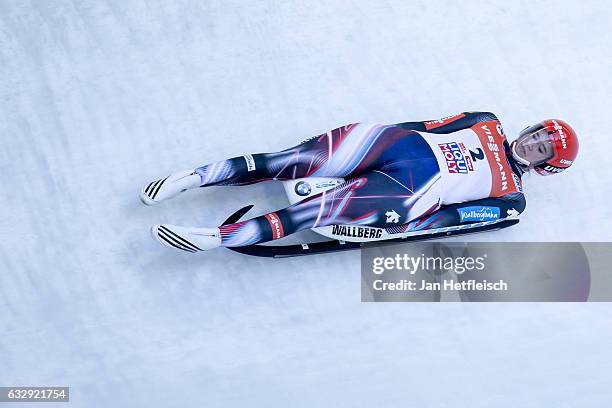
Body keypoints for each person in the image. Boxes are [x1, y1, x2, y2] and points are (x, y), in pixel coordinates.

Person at [139, 112, 579, 253]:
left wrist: (401, 226)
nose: (533, 143)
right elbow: (423, 123)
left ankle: (219, 236)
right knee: (291, 159)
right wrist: (376, 135)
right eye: (538, 134)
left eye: (542, 149)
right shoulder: (486, 119)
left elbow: (458, 218)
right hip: (396, 146)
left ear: (546, 165)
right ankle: (194, 177)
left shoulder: (511, 198)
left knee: (315, 212)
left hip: (409, 191)